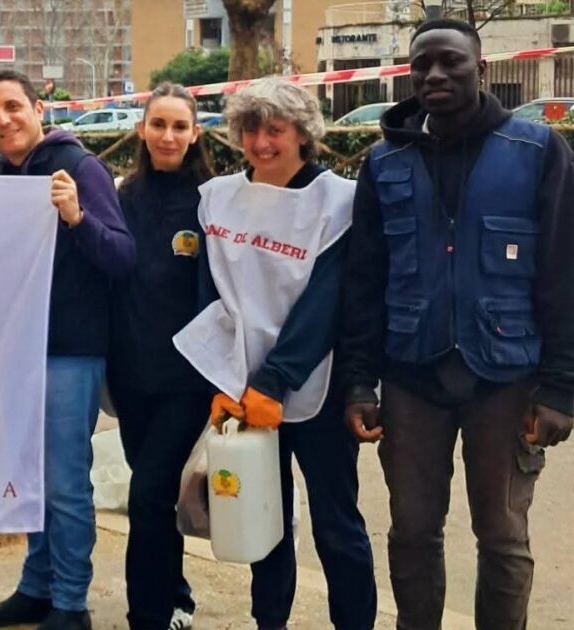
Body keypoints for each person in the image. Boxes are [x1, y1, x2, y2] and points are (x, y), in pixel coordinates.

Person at [340, 19, 574, 630]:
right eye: (422, 66)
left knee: (501, 534)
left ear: (482, 69)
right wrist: (361, 382)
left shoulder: (538, 152)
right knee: (413, 531)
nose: (435, 76)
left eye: (451, 63)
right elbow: (364, 281)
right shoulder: (383, 162)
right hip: (413, 377)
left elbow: (562, 274)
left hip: (507, 378)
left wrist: (560, 388)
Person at [171, 77, 377, 630]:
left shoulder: (338, 201)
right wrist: (223, 377)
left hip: (313, 389)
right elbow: (209, 295)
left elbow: (325, 304)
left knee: (337, 524)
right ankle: (270, 623)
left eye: (276, 130)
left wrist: (275, 379)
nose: (262, 143)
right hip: (240, 390)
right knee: (262, 520)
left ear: (302, 134)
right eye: (252, 130)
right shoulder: (216, 198)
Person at [0, 69, 135, 630]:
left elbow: (122, 257)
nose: (3, 120)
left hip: (69, 351)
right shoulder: (0, 176)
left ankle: (70, 602)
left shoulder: (81, 169)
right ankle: (36, 588)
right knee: (30, 477)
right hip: (16, 353)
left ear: (40, 109)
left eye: (13, 106)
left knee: (64, 482)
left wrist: (77, 218)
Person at [107, 82, 212, 630]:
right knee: (157, 495)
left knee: (147, 496)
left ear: (195, 134)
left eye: (179, 126)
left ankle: (145, 614)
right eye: (158, 124)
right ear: (142, 130)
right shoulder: (121, 197)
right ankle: (175, 592)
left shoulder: (213, 201)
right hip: (130, 376)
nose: (168, 135)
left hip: (186, 382)